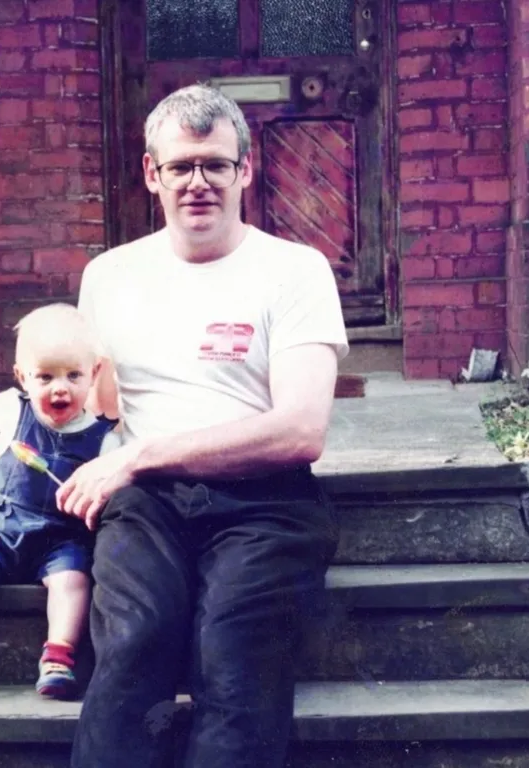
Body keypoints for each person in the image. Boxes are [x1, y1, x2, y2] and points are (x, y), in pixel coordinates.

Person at [60, 84, 350, 767]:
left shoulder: (295, 271)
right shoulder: (109, 276)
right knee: (135, 640)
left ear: (245, 170)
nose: (199, 183)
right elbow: (66, 385)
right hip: (146, 504)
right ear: (151, 174)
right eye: (182, 166)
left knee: (233, 650)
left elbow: (301, 430)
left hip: (266, 501)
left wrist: (144, 452)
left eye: (215, 165)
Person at [0, 303, 119, 702]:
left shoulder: (103, 437)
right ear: (22, 377)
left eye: (74, 375)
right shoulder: (11, 407)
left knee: (73, 581)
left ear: (95, 373)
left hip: (61, 539)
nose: (60, 388)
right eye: (46, 376)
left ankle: (58, 655)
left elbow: (113, 483)